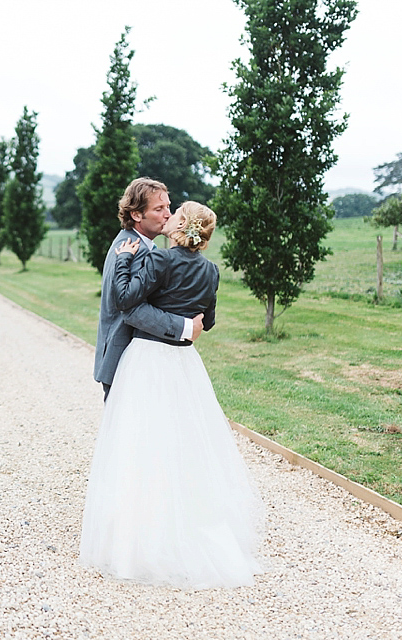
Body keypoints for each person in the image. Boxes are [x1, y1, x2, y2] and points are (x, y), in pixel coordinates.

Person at [80, 201, 264, 590]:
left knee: (142, 446)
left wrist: (129, 263)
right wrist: (188, 316)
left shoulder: (160, 261)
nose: (168, 214)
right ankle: (185, 529)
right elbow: (208, 321)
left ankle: (140, 541)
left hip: (148, 360)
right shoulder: (211, 270)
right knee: (185, 447)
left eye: (174, 211)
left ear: (182, 225)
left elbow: (127, 299)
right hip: (185, 365)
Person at [93, 178, 203, 401]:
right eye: (159, 209)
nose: (168, 215)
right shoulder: (135, 250)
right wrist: (185, 327)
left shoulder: (133, 244)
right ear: (136, 215)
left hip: (131, 359)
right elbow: (132, 310)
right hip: (126, 359)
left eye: (169, 207)